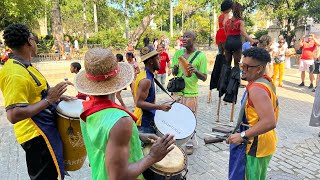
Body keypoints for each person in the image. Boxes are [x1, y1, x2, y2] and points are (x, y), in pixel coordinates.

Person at [73, 48, 175, 180]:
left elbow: (105, 138)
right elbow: (118, 177)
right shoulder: (121, 121)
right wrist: (152, 157)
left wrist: (137, 136)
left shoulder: (85, 110)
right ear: (119, 81)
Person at [0, 23, 73, 180]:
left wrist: (57, 96)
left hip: (43, 132)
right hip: (36, 137)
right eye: (35, 40)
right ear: (28, 41)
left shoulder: (24, 65)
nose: (36, 44)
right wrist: (49, 99)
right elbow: (13, 114)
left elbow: (37, 93)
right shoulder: (15, 73)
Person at [227, 47, 279, 180]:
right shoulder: (264, 81)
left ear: (259, 68)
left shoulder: (257, 89)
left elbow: (269, 122)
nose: (242, 69)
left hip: (256, 145)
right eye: (241, 65)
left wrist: (242, 135)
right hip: (261, 141)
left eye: (247, 67)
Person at [171, 30, 208, 154]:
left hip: (191, 93)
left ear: (194, 39)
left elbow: (204, 78)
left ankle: (190, 142)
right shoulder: (178, 54)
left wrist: (196, 71)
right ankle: (177, 140)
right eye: (183, 37)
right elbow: (174, 73)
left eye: (188, 37)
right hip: (177, 92)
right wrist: (175, 69)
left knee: (190, 119)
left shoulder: (201, 56)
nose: (184, 39)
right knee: (176, 117)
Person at [133, 45, 172, 133]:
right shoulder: (146, 80)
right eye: (157, 59)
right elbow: (139, 103)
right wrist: (160, 107)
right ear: (151, 61)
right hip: (144, 123)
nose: (160, 61)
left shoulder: (146, 75)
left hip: (146, 120)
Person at [224, 2, 257, 67]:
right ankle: (235, 77)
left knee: (227, 64)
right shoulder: (240, 21)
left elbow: (226, 31)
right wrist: (252, 40)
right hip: (236, 41)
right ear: (240, 11)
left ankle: (225, 76)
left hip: (228, 41)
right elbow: (243, 32)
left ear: (232, 10)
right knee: (237, 64)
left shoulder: (227, 21)